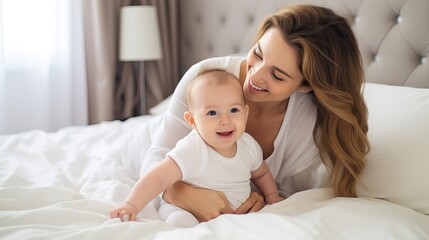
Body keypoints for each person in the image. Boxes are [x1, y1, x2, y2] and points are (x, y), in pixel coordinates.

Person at [133, 4, 370, 222]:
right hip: (145, 147)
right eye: (257, 53)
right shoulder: (205, 77)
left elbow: (277, 190)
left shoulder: (307, 125)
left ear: (305, 86)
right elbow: (156, 157)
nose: (254, 77)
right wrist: (181, 193)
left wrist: (259, 198)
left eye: (277, 75)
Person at [111, 69, 284, 227]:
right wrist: (131, 204)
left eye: (233, 110)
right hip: (186, 210)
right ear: (192, 121)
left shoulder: (248, 145)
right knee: (180, 221)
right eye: (212, 113)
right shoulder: (193, 149)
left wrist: (271, 196)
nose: (225, 120)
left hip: (233, 216)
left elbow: (261, 173)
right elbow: (158, 178)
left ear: (245, 113)